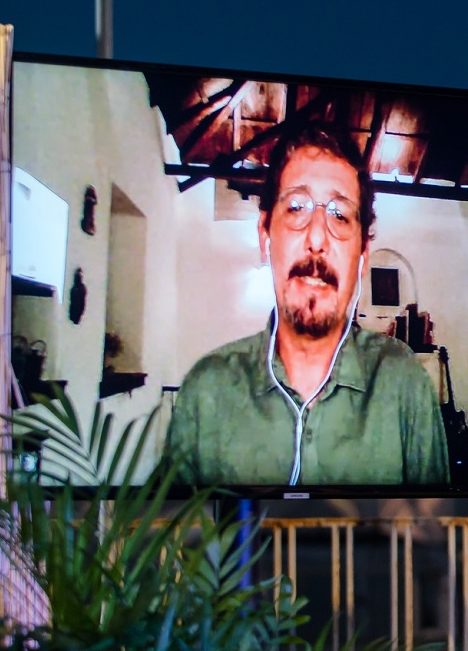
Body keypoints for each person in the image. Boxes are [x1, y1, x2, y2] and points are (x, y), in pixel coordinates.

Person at [168, 121, 448, 487]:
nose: (317, 237)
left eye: (340, 215)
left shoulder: (405, 383)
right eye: (296, 207)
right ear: (265, 236)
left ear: (362, 255)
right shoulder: (206, 390)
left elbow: (438, 537)